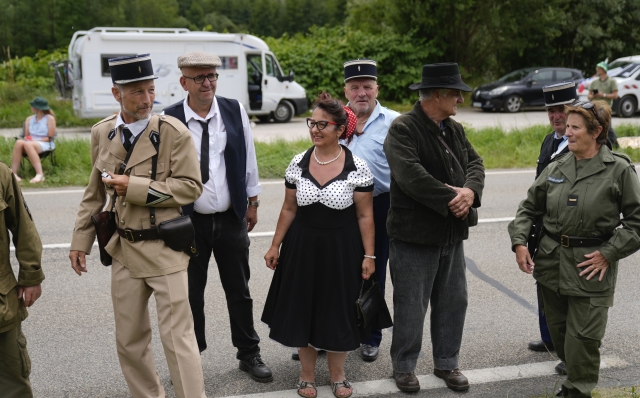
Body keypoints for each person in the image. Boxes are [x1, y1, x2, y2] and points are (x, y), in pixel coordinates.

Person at [69, 54, 206, 398]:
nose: (147, 100)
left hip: (165, 249)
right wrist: (79, 242)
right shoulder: (103, 132)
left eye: (150, 90)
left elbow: (191, 188)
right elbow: (92, 194)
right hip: (124, 251)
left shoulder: (173, 132)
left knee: (178, 341)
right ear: (117, 94)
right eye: (137, 93)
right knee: (130, 341)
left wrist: (135, 188)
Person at [508, 101, 640, 398]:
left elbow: (637, 223)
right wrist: (519, 242)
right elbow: (528, 209)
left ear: (596, 132)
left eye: (575, 127)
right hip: (551, 264)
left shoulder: (618, 169)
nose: (566, 132)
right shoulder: (557, 166)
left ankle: (577, 390)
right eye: (567, 126)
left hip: (590, 265)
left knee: (583, 339)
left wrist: (610, 252)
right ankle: (575, 377)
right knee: (560, 336)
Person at [163, 51, 272, 383]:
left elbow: (247, 156)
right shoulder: (168, 118)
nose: (207, 83)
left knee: (239, 290)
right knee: (189, 292)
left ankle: (249, 354)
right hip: (189, 221)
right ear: (184, 82)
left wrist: (253, 201)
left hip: (231, 216)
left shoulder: (233, 109)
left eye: (212, 76)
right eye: (199, 77)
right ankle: (190, 358)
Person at [261, 92, 375, 398]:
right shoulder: (298, 162)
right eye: (312, 122)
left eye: (323, 124)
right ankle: (307, 375)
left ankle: (338, 375)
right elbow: (288, 209)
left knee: (339, 309)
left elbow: (365, 215)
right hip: (302, 248)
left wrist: (369, 254)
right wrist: (275, 246)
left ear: (340, 129)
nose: (315, 129)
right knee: (304, 308)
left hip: (343, 249)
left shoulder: (357, 166)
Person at [384, 63, 485, 393]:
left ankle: (447, 363)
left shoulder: (453, 129)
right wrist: (451, 199)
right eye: (456, 93)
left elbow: (476, 163)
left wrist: (469, 192)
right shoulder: (404, 128)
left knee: (454, 301)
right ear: (438, 95)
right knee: (411, 305)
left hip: (452, 235)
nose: (460, 99)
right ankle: (404, 367)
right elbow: (410, 176)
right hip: (414, 236)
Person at [341, 59, 399, 362]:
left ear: (377, 88)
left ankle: (370, 335)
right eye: (355, 87)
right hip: (340, 207)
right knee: (337, 271)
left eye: (367, 86)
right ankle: (334, 332)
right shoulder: (338, 121)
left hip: (379, 206)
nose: (361, 92)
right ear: (346, 90)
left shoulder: (394, 121)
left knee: (372, 270)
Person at [526, 82, 575, 374]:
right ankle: (549, 339)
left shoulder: (584, 142)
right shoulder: (549, 141)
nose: (557, 116)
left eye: (562, 110)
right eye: (551, 110)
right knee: (543, 283)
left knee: (566, 290)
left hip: (567, 228)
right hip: (543, 226)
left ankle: (572, 351)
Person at [0, 161, 44, 398]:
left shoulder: (0, 174)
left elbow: (22, 226)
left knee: (12, 385)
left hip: (1, 304)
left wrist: (31, 275)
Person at [11, 97, 56, 183]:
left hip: (45, 143)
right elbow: (26, 135)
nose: (31, 107)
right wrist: (27, 138)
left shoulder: (49, 119)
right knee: (19, 142)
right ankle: (13, 173)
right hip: (30, 143)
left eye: (32, 105)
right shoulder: (29, 119)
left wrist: (33, 142)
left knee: (28, 144)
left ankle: (40, 174)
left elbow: (49, 137)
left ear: (38, 108)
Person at [588, 61, 619, 147]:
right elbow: (589, 96)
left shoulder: (612, 81)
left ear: (604, 70)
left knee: (607, 127)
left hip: (606, 107)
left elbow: (615, 95)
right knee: (595, 127)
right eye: (597, 68)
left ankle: (615, 144)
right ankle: (599, 144)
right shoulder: (594, 82)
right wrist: (594, 96)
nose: (597, 70)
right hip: (594, 107)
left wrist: (603, 95)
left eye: (599, 68)